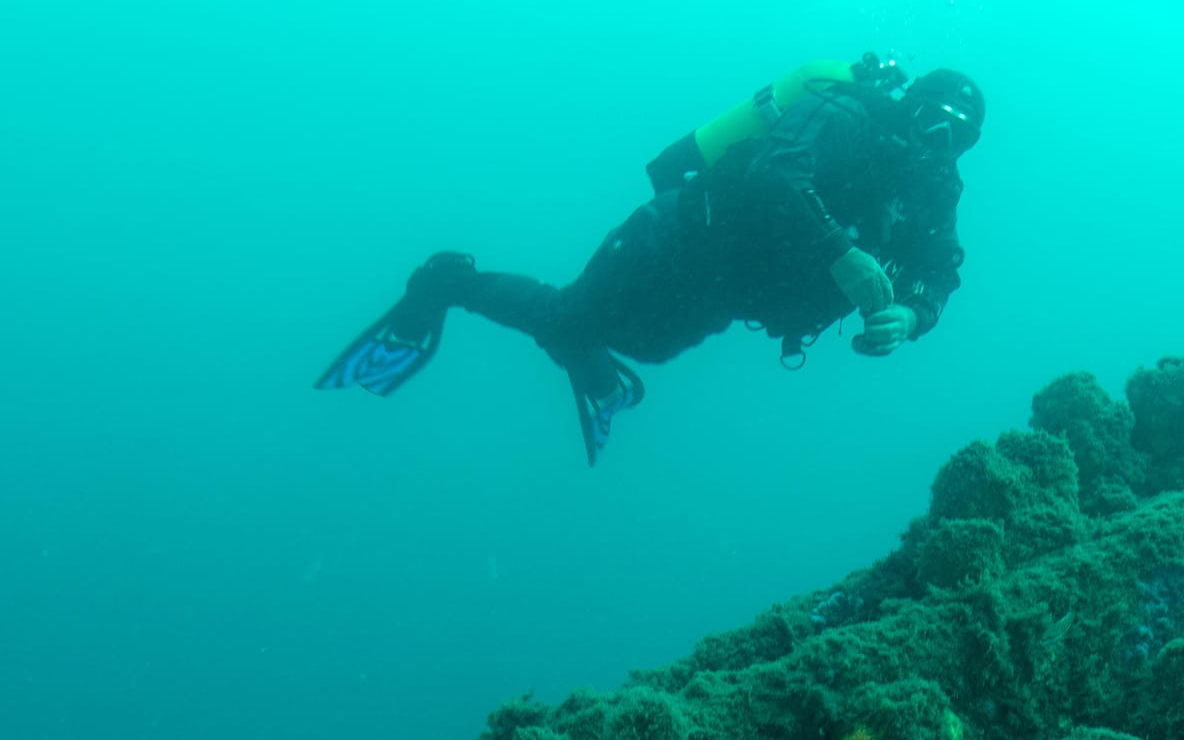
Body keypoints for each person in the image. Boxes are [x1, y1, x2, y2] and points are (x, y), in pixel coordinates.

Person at [315, 55, 982, 465]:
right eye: (931, 118)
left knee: (646, 348)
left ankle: (576, 348)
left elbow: (941, 269)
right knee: (572, 315)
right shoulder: (843, 115)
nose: (938, 140)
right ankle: (448, 282)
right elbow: (775, 174)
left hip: (729, 292)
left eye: (958, 135)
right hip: (683, 235)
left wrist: (912, 314)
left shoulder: (934, 192)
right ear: (908, 103)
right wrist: (841, 253)